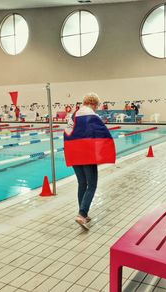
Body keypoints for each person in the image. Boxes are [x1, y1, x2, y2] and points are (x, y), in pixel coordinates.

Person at [64, 93, 116, 230]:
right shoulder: (93, 116)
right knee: (91, 185)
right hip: (87, 155)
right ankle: (82, 214)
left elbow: (67, 134)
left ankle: (83, 213)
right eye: (97, 106)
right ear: (93, 103)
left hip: (74, 154)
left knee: (82, 183)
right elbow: (103, 134)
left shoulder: (73, 115)